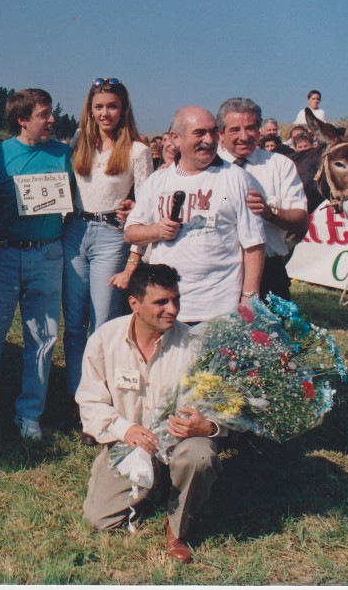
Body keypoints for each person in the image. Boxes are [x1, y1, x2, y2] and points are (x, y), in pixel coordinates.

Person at [78, 262, 223, 563]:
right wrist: (124, 430)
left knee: (199, 455)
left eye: (176, 300)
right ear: (135, 304)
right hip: (130, 443)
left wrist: (207, 427)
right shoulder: (105, 340)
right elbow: (90, 402)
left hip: (183, 444)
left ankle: (177, 527)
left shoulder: (195, 346)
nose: (173, 309)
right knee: (98, 518)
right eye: (161, 302)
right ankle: (158, 484)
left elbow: (223, 408)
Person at [0, 88, 74, 441]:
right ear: (22, 120)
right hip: (3, 256)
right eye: (45, 114)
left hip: (48, 255)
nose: (52, 119)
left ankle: (29, 414)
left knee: (42, 337)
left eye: (51, 113)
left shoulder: (63, 154)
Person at [62, 78, 152, 439]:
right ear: (89, 109)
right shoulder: (78, 144)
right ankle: (77, 397)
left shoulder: (137, 151)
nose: (105, 113)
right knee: (72, 324)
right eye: (98, 106)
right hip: (74, 232)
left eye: (112, 106)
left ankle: (103, 405)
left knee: (103, 325)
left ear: (123, 108)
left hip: (111, 238)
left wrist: (134, 256)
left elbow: (145, 206)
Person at [124, 106, 265, 323]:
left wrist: (249, 298)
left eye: (213, 132)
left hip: (218, 310)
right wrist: (156, 231)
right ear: (175, 138)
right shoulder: (157, 181)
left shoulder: (237, 179)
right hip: (166, 312)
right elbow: (131, 233)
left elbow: (254, 245)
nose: (209, 140)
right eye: (199, 133)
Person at [217, 98, 307, 300]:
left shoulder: (280, 165)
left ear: (259, 131)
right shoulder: (208, 167)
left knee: (271, 332)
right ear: (220, 134)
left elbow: (301, 221)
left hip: (269, 272)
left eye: (250, 128)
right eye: (234, 130)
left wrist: (270, 212)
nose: (244, 136)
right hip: (220, 273)